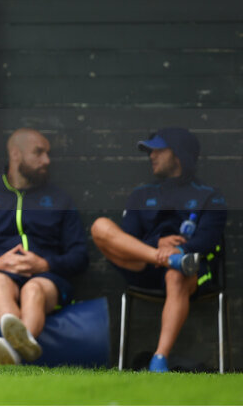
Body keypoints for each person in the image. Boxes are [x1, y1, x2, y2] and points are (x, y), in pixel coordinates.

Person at [90, 127, 227, 372]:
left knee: (177, 272)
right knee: (100, 227)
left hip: (189, 269)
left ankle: (159, 360)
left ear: (179, 155)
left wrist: (176, 251)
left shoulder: (210, 196)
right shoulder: (141, 195)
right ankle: (165, 260)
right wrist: (157, 249)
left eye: (158, 150)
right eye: (149, 151)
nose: (151, 156)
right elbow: (126, 239)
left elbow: (207, 240)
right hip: (145, 263)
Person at [0, 128, 89, 365]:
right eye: (39, 153)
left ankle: (11, 351)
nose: (47, 160)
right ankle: (17, 351)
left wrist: (45, 264)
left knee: (33, 289)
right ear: (16, 155)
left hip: (47, 280)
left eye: (47, 153)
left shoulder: (59, 199)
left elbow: (80, 256)